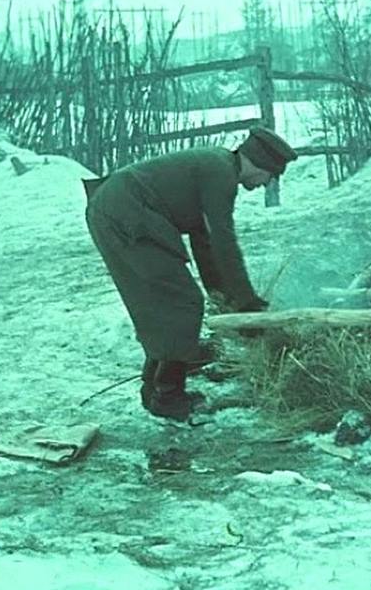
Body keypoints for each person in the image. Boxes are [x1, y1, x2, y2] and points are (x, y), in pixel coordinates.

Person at [85, 127, 297, 420]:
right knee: (182, 301)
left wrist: (224, 297)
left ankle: (155, 388)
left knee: (164, 301)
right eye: (272, 175)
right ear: (260, 164)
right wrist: (247, 301)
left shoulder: (218, 166)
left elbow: (205, 243)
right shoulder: (221, 175)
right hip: (125, 212)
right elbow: (224, 241)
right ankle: (169, 395)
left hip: (114, 207)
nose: (268, 183)